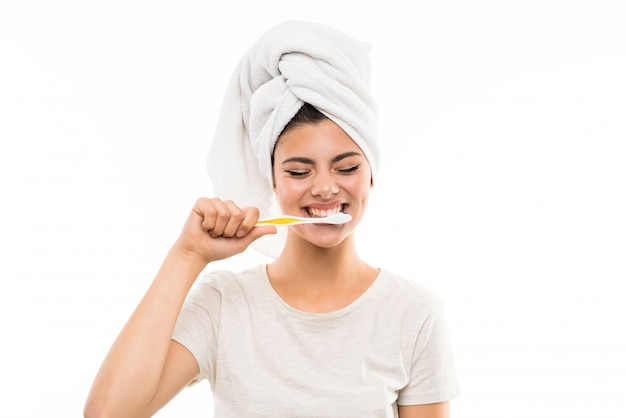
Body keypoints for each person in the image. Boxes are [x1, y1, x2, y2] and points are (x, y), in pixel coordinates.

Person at [84, 20, 460, 418]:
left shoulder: (414, 312)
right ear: (273, 181)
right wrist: (187, 255)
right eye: (299, 172)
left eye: (346, 167)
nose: (325, 188)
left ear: (371, 174)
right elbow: (109, 414)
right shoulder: (224, 303)